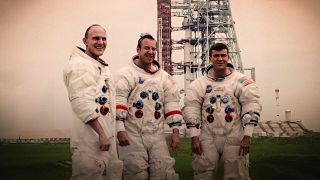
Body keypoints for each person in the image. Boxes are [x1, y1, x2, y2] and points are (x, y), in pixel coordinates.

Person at [184, 43, 262, 180]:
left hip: (234, 135)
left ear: (228, 57)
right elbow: (192, 109)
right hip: (207, 136)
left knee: (237, 175)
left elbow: (251, 105)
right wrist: (194, 137)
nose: (220, 59)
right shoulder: (199, 84)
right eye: (216, 56)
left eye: (223, 55)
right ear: (210, 58)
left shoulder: (241, 81)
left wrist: (247, 136)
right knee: (203, 174)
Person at [115, 33, 182, 180]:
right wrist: (120, 131)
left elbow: (171, 104)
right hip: (132, 133)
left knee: (164, 172)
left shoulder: (164, 77)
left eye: (153, 49)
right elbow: (118, 103)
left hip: (156, 135)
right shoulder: (125, 74)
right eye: (146, 48)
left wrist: (175, 132)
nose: (150, 52)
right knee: (136, 173)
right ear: (138, 50)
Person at [63, 24, 123, 180]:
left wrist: (112, 134)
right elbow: (82, 103)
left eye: (104, 39)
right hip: (89, 142)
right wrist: (102, 134)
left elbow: (108, 107)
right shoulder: (79, 65)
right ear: (85, 41)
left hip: (104, 140)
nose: (101, 42)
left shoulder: (100, 67)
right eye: (96, 38)